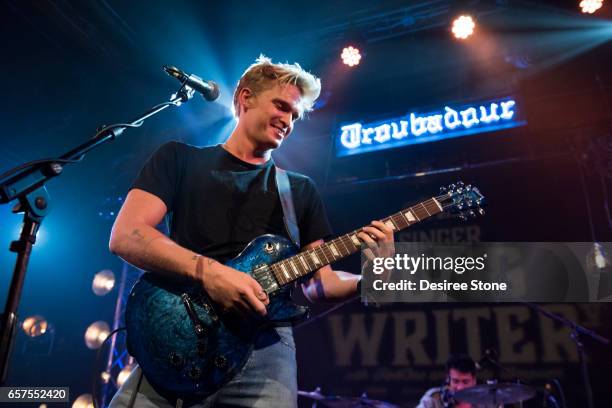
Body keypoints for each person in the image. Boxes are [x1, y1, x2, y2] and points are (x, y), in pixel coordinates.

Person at [107, 55, 394, 408]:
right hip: (178, 337)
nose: (288, 121)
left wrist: (374, 278)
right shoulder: (179, 160)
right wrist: (211, 273)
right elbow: (128, 234)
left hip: (265, 353)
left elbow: (320, 284)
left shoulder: (300, 191)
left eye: (294, 115)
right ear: (245, 98)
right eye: (281, 106)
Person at [416, 354, 495, 408]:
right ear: (448, 379)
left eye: (465, 382)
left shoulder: (486, 401)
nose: (460, 387)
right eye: (456, 381)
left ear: (474, 381)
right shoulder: (434, 398)